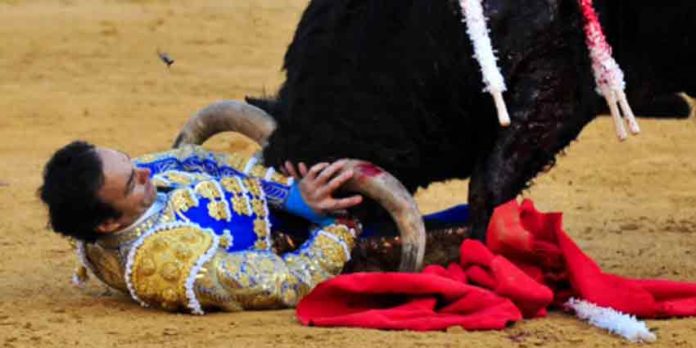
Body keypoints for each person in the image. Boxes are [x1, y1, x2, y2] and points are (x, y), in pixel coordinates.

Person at [39, 141, 364, 314]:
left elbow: (194, 158)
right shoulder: (165, 262)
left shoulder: (124, 187)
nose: (145, 173)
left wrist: (289, 194)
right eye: (131, 183)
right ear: (108, 223)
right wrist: (337, 229)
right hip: (326, 245)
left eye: (129, 161)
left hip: (293, 199)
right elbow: (284, 283)